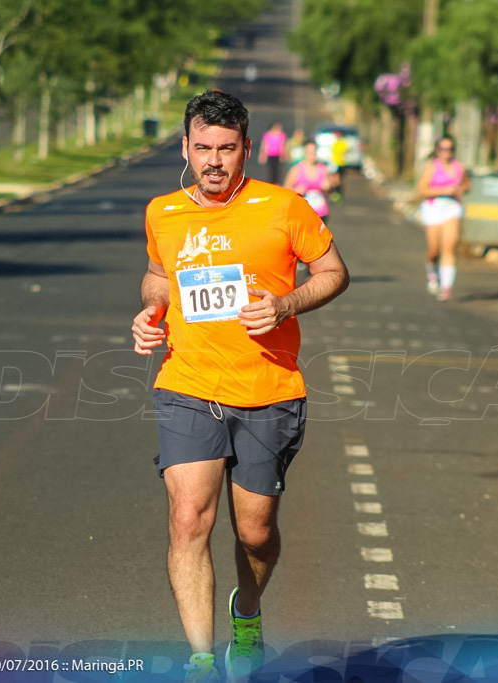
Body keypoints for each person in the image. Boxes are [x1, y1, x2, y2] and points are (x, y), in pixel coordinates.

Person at [131, 90, 349, 682]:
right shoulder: (163, 212)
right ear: (185, 148)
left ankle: (246, 613)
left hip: (268, 390)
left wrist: (285, 304)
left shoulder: (284, 207)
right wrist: (152, 311)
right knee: (187, 519)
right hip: (188, 383)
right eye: (202, 148)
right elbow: (158, 275)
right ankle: (202, 661)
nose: (214, 161)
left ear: (247, 149)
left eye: (226, 148)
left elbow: (333, 273)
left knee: (255, 532)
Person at [416, 135, 469, 302]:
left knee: (449, 247)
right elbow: (422, 190)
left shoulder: (459, 167)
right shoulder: (432, 167)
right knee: (434, 250)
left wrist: (461, 189)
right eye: (443, 149)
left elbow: (466, 184)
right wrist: (444, 190)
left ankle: (446, 287)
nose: (447, 152)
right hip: (433, 209)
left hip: (451, 209)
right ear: (438, 150)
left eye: (450, 149)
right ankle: (432, 273)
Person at [283, 141, 338, 225]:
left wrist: (328, 187)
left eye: (314, 152)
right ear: (305, 153)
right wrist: (295, 191)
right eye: (309, 153)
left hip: (321, 213)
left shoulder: (323, 168)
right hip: (302, 213)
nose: (312, 156)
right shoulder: (296, 169)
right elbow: (285, 191)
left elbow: (331, 191)